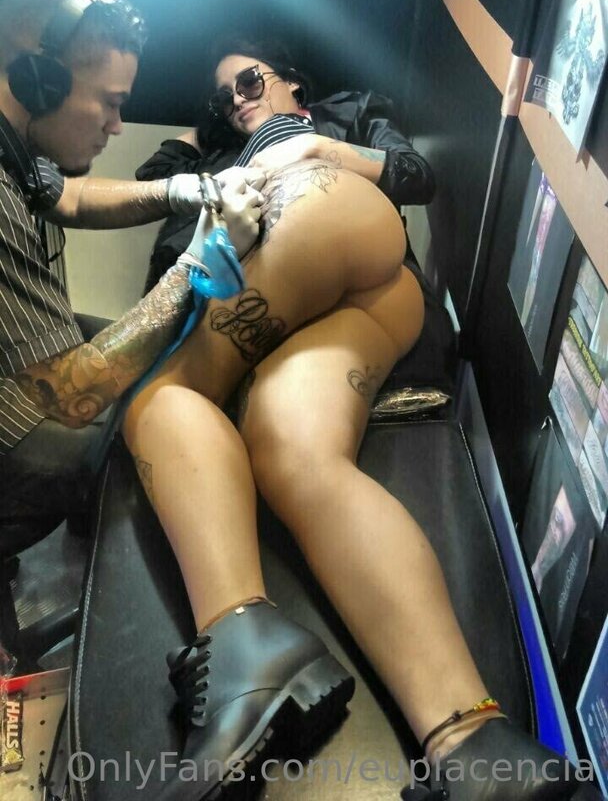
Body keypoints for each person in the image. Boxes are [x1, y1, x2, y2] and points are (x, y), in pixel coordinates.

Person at [125, 40, 596, 800]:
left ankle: (244, 652)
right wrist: (197, 137)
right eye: (221, 99)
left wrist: (312, 146)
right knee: (291, 452)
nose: (237, 100)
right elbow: (153, 193)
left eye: (249, 80)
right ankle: (474, 745)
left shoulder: (340, 115)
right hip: (370, 299)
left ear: (293, 81)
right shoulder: (215, 161)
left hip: (323, 214)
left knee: (159, 396)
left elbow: (414, 173)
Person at [0, 0, 264, 536]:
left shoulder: (14, 142)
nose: (118, 126)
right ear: (41, 83)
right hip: (26, 427)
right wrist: (196, 265)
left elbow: (70, 196)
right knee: (132, 434)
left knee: (162, 358)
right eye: (110, 103)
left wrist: (177, 190)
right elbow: (64, 398)